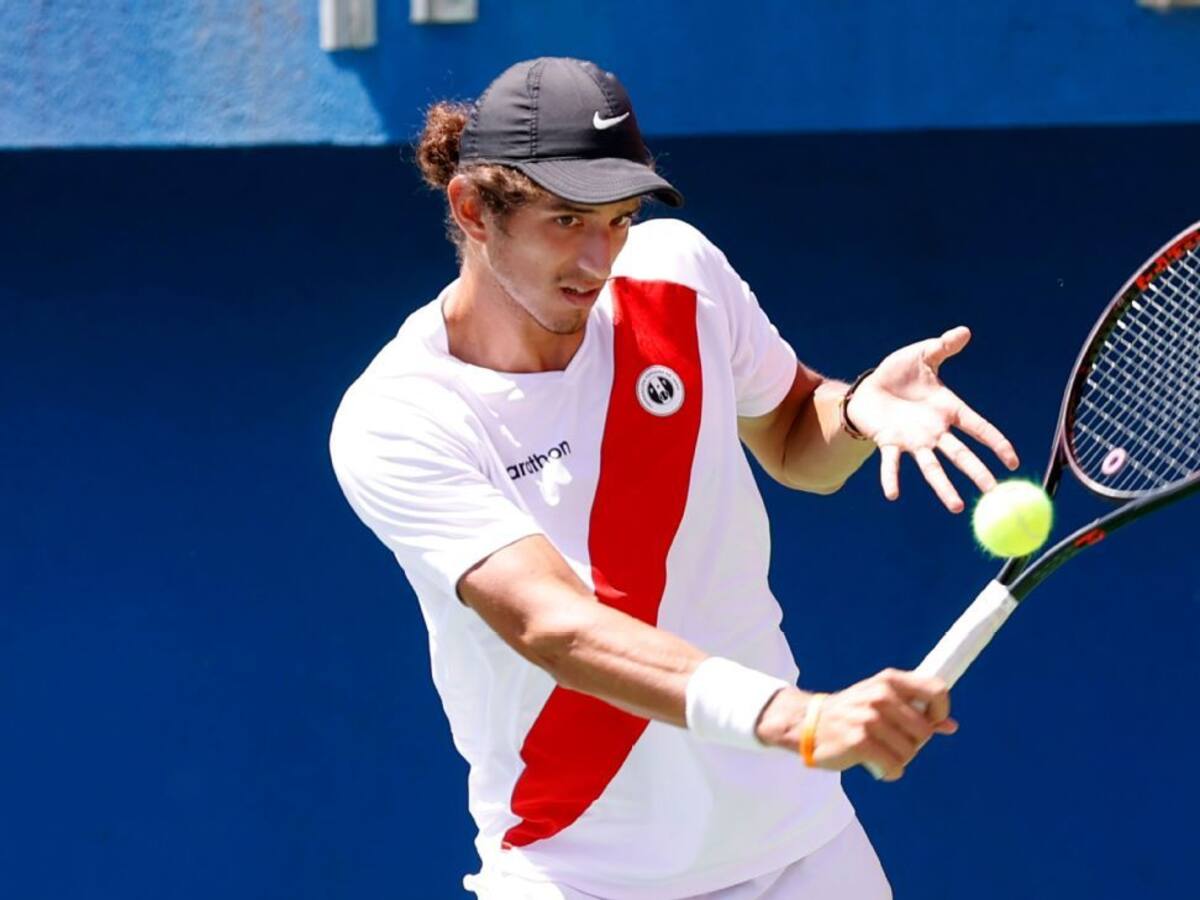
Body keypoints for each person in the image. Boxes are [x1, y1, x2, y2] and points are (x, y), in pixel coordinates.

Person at [329, 57, 1019, 900]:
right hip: (579, 872)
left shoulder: (678, 275)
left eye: (618, 220)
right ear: (473, 209)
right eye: (567, 220)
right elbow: (558, 628)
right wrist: (802, 719)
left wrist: (858, 405)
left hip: (801, 849)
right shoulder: (402, 415)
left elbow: (800, 440)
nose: (599, 256)